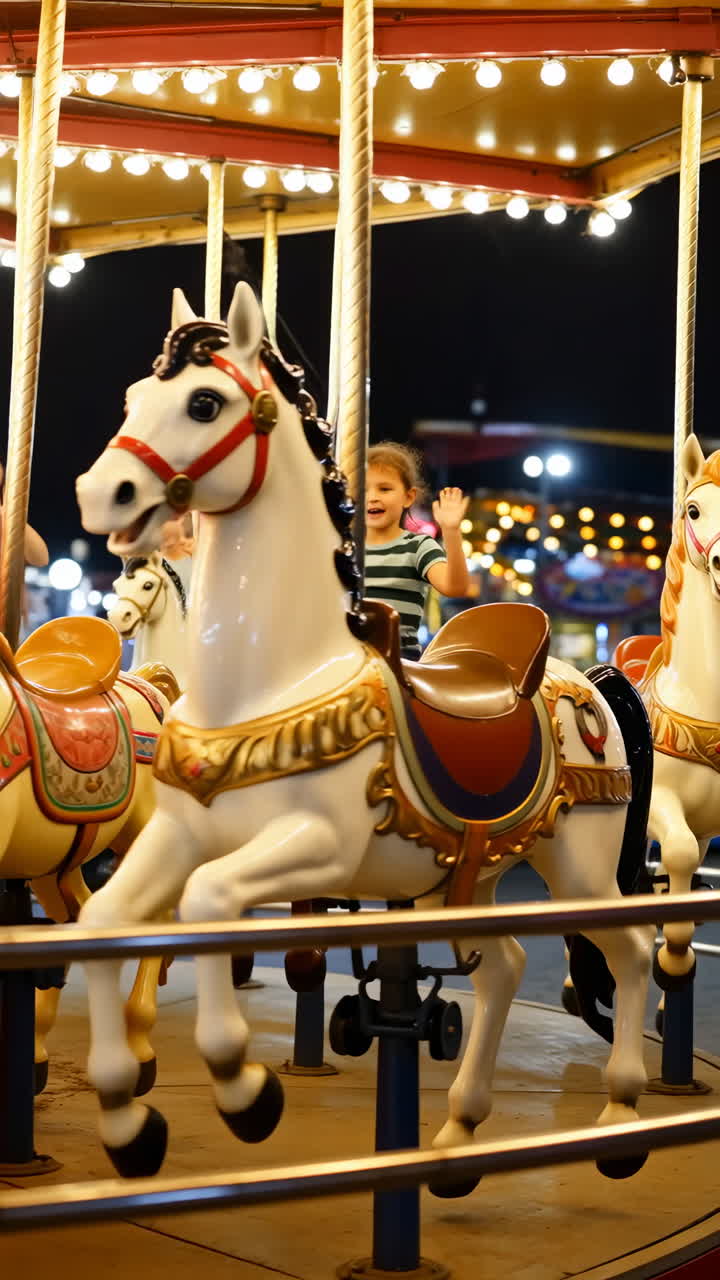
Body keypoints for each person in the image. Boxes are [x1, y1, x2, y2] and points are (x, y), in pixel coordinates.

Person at [364, 442, 469, 660]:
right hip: (346, 657)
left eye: (384, 489)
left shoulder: (418, 546)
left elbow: (455, 586)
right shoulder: (341, 547)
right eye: (362, 489)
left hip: (397, 658)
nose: (372, 497)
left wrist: (451, 530)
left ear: (408, 497)